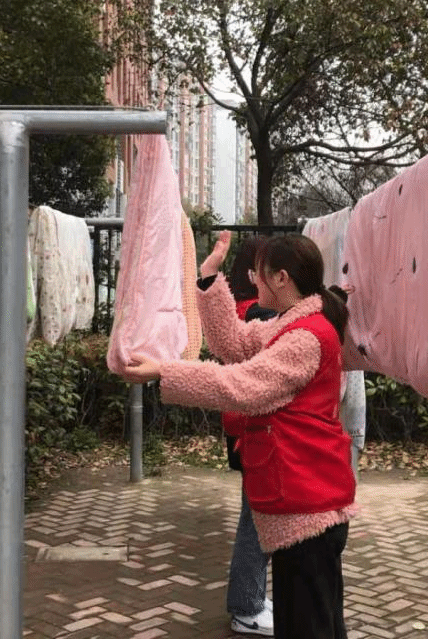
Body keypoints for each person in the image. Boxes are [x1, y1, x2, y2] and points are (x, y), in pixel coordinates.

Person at [126, 231, 358, 639]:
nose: (253, 279)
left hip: (307, 503)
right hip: (304, 498)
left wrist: (165, 371)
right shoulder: (290, 323)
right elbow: (233, 342)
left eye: (258, 273)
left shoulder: (305, 336)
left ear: (281, 278)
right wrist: (209, 277)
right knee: (315, 623)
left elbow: (241, 385)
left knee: (308, 627)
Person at [223, 236, 277, 636]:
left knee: (254, 516)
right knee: (254, 521)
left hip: (238, 424)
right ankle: (246, 607)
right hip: (251, 428)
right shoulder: (257, 314)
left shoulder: (238, 309)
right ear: (252, 273)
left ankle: (252, 596)